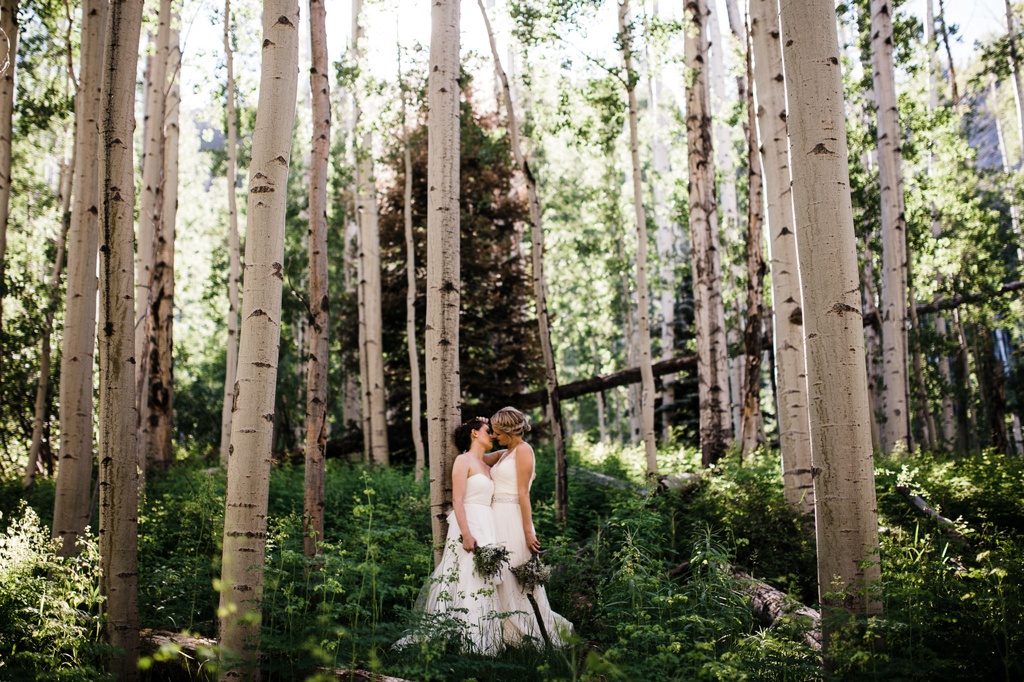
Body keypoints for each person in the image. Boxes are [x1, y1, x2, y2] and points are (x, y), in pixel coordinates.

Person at [398, 417, 504, 654]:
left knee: (483, 576)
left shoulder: (487, 465)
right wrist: (466, 534)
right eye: (489, 431)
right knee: (465, 573)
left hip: (487, 521)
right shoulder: (462, 460)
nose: (493, 436)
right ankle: (463, 634)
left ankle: (483, 634)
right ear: (474, 434)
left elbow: (510, 450)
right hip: (468, 522)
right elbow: (457, 500)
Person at [485, 406, 573, 647]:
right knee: (498, 572)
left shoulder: (524, 451)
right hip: (495, 516)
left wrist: (528, 531)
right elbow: (476, 457)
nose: (493, 437)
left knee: (515, 572)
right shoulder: (505, 453)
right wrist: (477, 427)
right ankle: (504, 630)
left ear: (509, 431)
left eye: (496, 432)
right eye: (491, 432)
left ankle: (529, 630)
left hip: (512, 516)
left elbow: (523, 493)